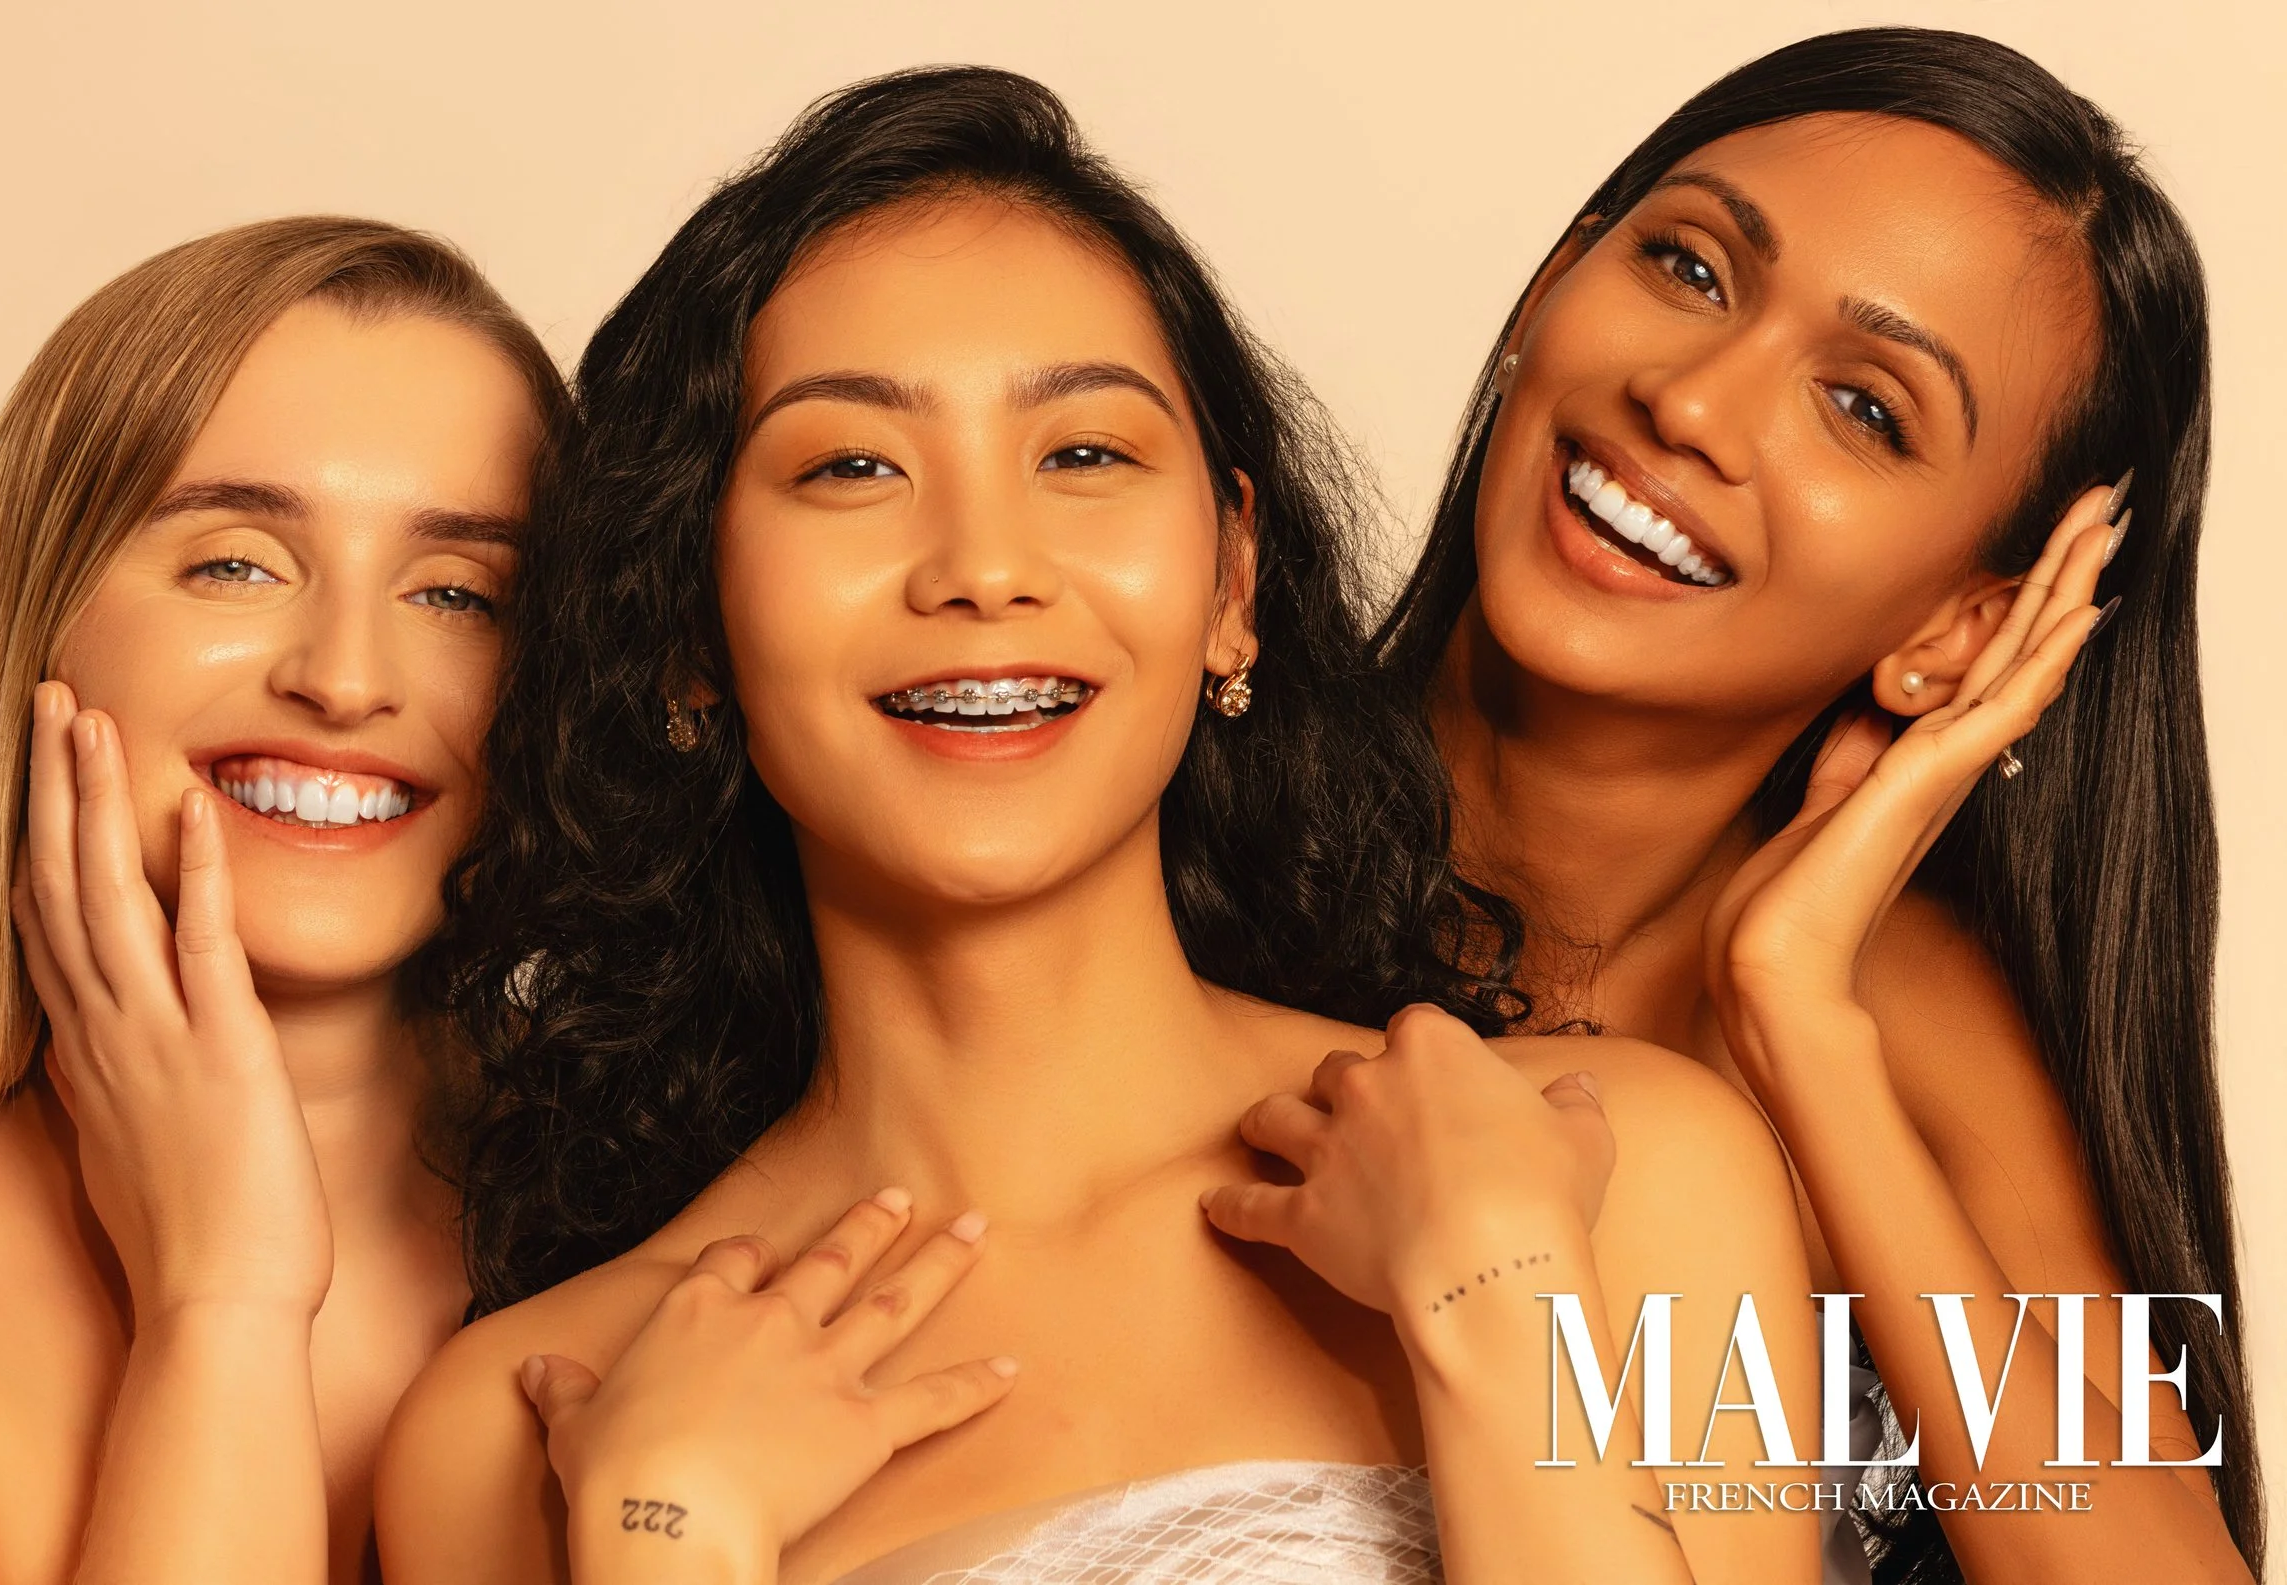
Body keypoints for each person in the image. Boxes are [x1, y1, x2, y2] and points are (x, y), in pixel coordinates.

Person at [378, 69, 1821, 1585]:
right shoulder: (517, 1428)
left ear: (1227, 584)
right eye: (851, 467)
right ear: (687, 624)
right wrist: (664, 1535)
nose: (985, 567)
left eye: (1083, 455)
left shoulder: (1607, 1169)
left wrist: (1497, 1301)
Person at [1366, 27, 2260, 1582]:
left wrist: (1793, 1013)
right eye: (1692, 269)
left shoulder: (1902, 1018)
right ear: (1547, 289)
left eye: (1866, 409)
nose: (1694, 405)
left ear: (1961, 632)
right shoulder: (1161, 831)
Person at [0, 217, 565, 1583]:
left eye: (459, 593)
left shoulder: (693, 1217)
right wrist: (226, 1307)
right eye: (237, 563)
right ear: (39, 618)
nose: (345, 678)